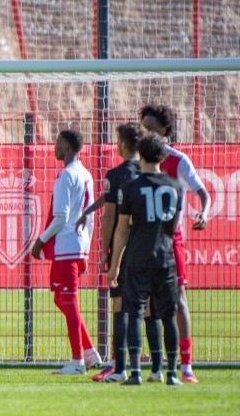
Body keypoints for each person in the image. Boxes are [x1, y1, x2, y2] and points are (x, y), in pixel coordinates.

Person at [107, 134, 185, 386]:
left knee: (135, 314)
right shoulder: (176, 187)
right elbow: (173, 227)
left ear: (140, 154)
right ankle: (171, 374)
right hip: (165, 259)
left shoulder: (130, 188)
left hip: (138, 258)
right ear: (163, 156)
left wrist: (114, 265)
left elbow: (122, 230)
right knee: (168, 316)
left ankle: (136, 373)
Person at [139, 104, 210, 383]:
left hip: (170, 240)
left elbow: (203, 192)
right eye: (143, 127)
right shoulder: (139, 160)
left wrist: (204, 212)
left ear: (165, 130)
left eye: (151, 128)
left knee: (178, 300)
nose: (146, 132)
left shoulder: (178, 160)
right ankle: (154, 364)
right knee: (146, 303)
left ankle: (186, 365)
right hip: (144, 240)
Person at [76, 122, 143, 383]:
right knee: (145, 308)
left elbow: (110, 214)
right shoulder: (150, 171)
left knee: (120, 305)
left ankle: (118, 365)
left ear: (123, 144)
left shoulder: (116, 174)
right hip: (148, 246)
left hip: (123, 247)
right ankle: (158, 366)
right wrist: (88, 210)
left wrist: (105, 251)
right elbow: (109, 198)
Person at [31, 129, 101, 375]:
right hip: (77, 246)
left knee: (69, 301)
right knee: (61, 299)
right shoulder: (86, 174)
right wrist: (86, 248)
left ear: (68, 148)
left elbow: (60, 217)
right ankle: (89, 352)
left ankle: (77, 361)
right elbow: (90, 218)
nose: (55, 148)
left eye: (58, 144)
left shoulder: (66, 176)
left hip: (67, 247)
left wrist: (40, 240)